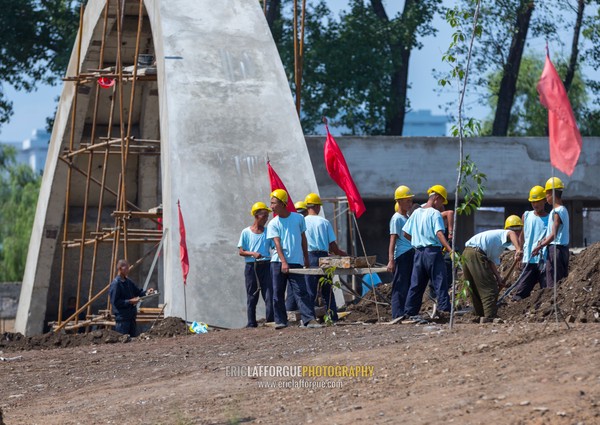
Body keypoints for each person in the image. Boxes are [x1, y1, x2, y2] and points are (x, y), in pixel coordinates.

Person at [267, 189, 321, 329]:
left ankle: (309, 319)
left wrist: (306, 257)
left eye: (274, 203)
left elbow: (303, 238)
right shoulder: (273, 223)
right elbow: (277, 244)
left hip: (296, 261)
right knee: (278, 292)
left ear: (283, 203)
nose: (271, 206)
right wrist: (284, 262)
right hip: (278, 262)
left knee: (301, 291)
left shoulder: (298, 218)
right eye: (271, 203)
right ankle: (281, 321)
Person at [402, 185, 453, 320]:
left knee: (416, 285)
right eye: (442, 201)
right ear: (436, 197)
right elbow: (439, 233)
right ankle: (444, 311)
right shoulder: (435, 214)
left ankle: (410, 312)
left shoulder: (416, 212)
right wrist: (450, 250)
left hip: (419, 253)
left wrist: (418, 241)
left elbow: (406, 233)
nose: (441, 205)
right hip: (433, 252)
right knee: (440, 282)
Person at [462, 216, 523, 321]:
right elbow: (511, 233)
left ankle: (480, 315)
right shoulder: (505, 234)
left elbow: (490, 262)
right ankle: (490, 317)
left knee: (476, 288)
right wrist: (518, 249)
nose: (517, 233)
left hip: (467, 254)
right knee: (490, 287)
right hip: (475, 254)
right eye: (515, 230)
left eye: (519, 230)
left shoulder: (498, 243)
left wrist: (499, 278)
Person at [303, 193, 347, 322]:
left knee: (310, 290)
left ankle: (310, 318)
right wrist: (341, 253)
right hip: (324, 257)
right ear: (317, 207)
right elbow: (332, 245)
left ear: (307, 207)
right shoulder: (324, 222)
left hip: (309, 256)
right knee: (327, 289)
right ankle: (332, 317)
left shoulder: (302, 221)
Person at [238, 201, 275, 327]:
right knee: (252, 294)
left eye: (267, 216)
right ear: (256, 215)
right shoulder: (246, 232)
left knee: (269, 294)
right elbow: (241, 251)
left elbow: (274, 247)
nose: (266, 219)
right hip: (251, 267)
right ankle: (251, 323)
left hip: (266, 265)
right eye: (264, 216)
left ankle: (270, 320)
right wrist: (252, 254)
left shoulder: (268, 232)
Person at [512, 185, 550, 301]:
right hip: (529, 259)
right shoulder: (526, 215)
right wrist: (519, 252)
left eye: (537, 201)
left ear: (544, 200)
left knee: (546, 291)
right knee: (521, 292)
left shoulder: (550, 218)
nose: (535, 204)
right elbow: (522, 236)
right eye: (533, 202)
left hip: (543, 260)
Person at [531, 177, 570, 286]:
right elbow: (553, 233)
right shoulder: (563, 210)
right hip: (561, 250)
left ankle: (554, 302)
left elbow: (554, 234)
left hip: (555, 251)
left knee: (553, 284)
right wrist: (543, 240)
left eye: (547, 194)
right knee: (559, 281)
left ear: (552, 193)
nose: (546, 197)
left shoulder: (557, 211)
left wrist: (540, 246)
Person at [386, 185, 415, 321]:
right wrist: (391, 260)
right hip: (402, 255)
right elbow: (393, 240)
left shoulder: (407, 218)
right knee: (400, 285)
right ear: (399, 201)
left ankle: (405, 312)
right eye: (407, 201)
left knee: (408, 284)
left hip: (410, 253)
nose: (410, 204)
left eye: (410, 201)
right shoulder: (396, 218)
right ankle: (397, 314)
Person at [109, 259, 155, 336]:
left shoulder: (128, 282)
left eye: (128, 267)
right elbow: (115, 302)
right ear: (120, 269)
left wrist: (147, 292)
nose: (128, 270)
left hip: (131, 318)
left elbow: (138, 292)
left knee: (132, 342)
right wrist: (130, 301)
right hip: (122, 319)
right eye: (126, 268)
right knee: (122, 342)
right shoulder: (116, 284)